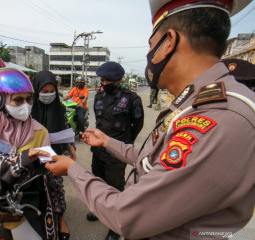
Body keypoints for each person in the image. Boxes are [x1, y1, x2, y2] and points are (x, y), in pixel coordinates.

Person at [45, 1, 255, 239]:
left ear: (169, 41)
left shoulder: (216, 117)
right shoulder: (193, 103)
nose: (149, 56)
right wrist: (106, 141)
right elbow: (152, 160)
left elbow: (126, 215)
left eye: (151, 45)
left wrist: (73, 169)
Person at [0, 67, 65, 240]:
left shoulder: (40, 132)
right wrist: (23, 159)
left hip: (26, 207)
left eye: (29, 99)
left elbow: (50, 178)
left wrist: (60, 216)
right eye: (18, 100)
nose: (26, 105)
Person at [87, 61, 144, 240]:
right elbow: (99, 122)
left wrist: (125, 144)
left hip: (117, 153)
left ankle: (115, 228)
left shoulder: (132, 99)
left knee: (115, 188)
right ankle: (99, 210)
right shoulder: (99, 97)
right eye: (101, 80)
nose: (103, 83)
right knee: (98, 182)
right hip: (98, 151)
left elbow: (138, 124)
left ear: (118, 80)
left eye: (106, 80)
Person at [31, 70, 76, 240]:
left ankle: (61, 219)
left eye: (52, 92)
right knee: (35, 186)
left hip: (54, 154)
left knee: (56, 186)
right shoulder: (29, 108)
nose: (48, 95)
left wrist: (71, 147)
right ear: (37, 90)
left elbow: (65, 127)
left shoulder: (60, 108)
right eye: (44, 91)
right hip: (33, 154)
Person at [62, 76, 89, 142]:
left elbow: (85, 97)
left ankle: (81, 136)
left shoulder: (85, 90)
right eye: (78, 82)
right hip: (74, 106)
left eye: (81, 83)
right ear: (76, 83)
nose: (79, 84)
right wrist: (62, 100)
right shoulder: (74, 89)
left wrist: (82, 103)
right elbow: (69, 96)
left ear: (84, 83)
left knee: (80, 120)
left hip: (81, 107)